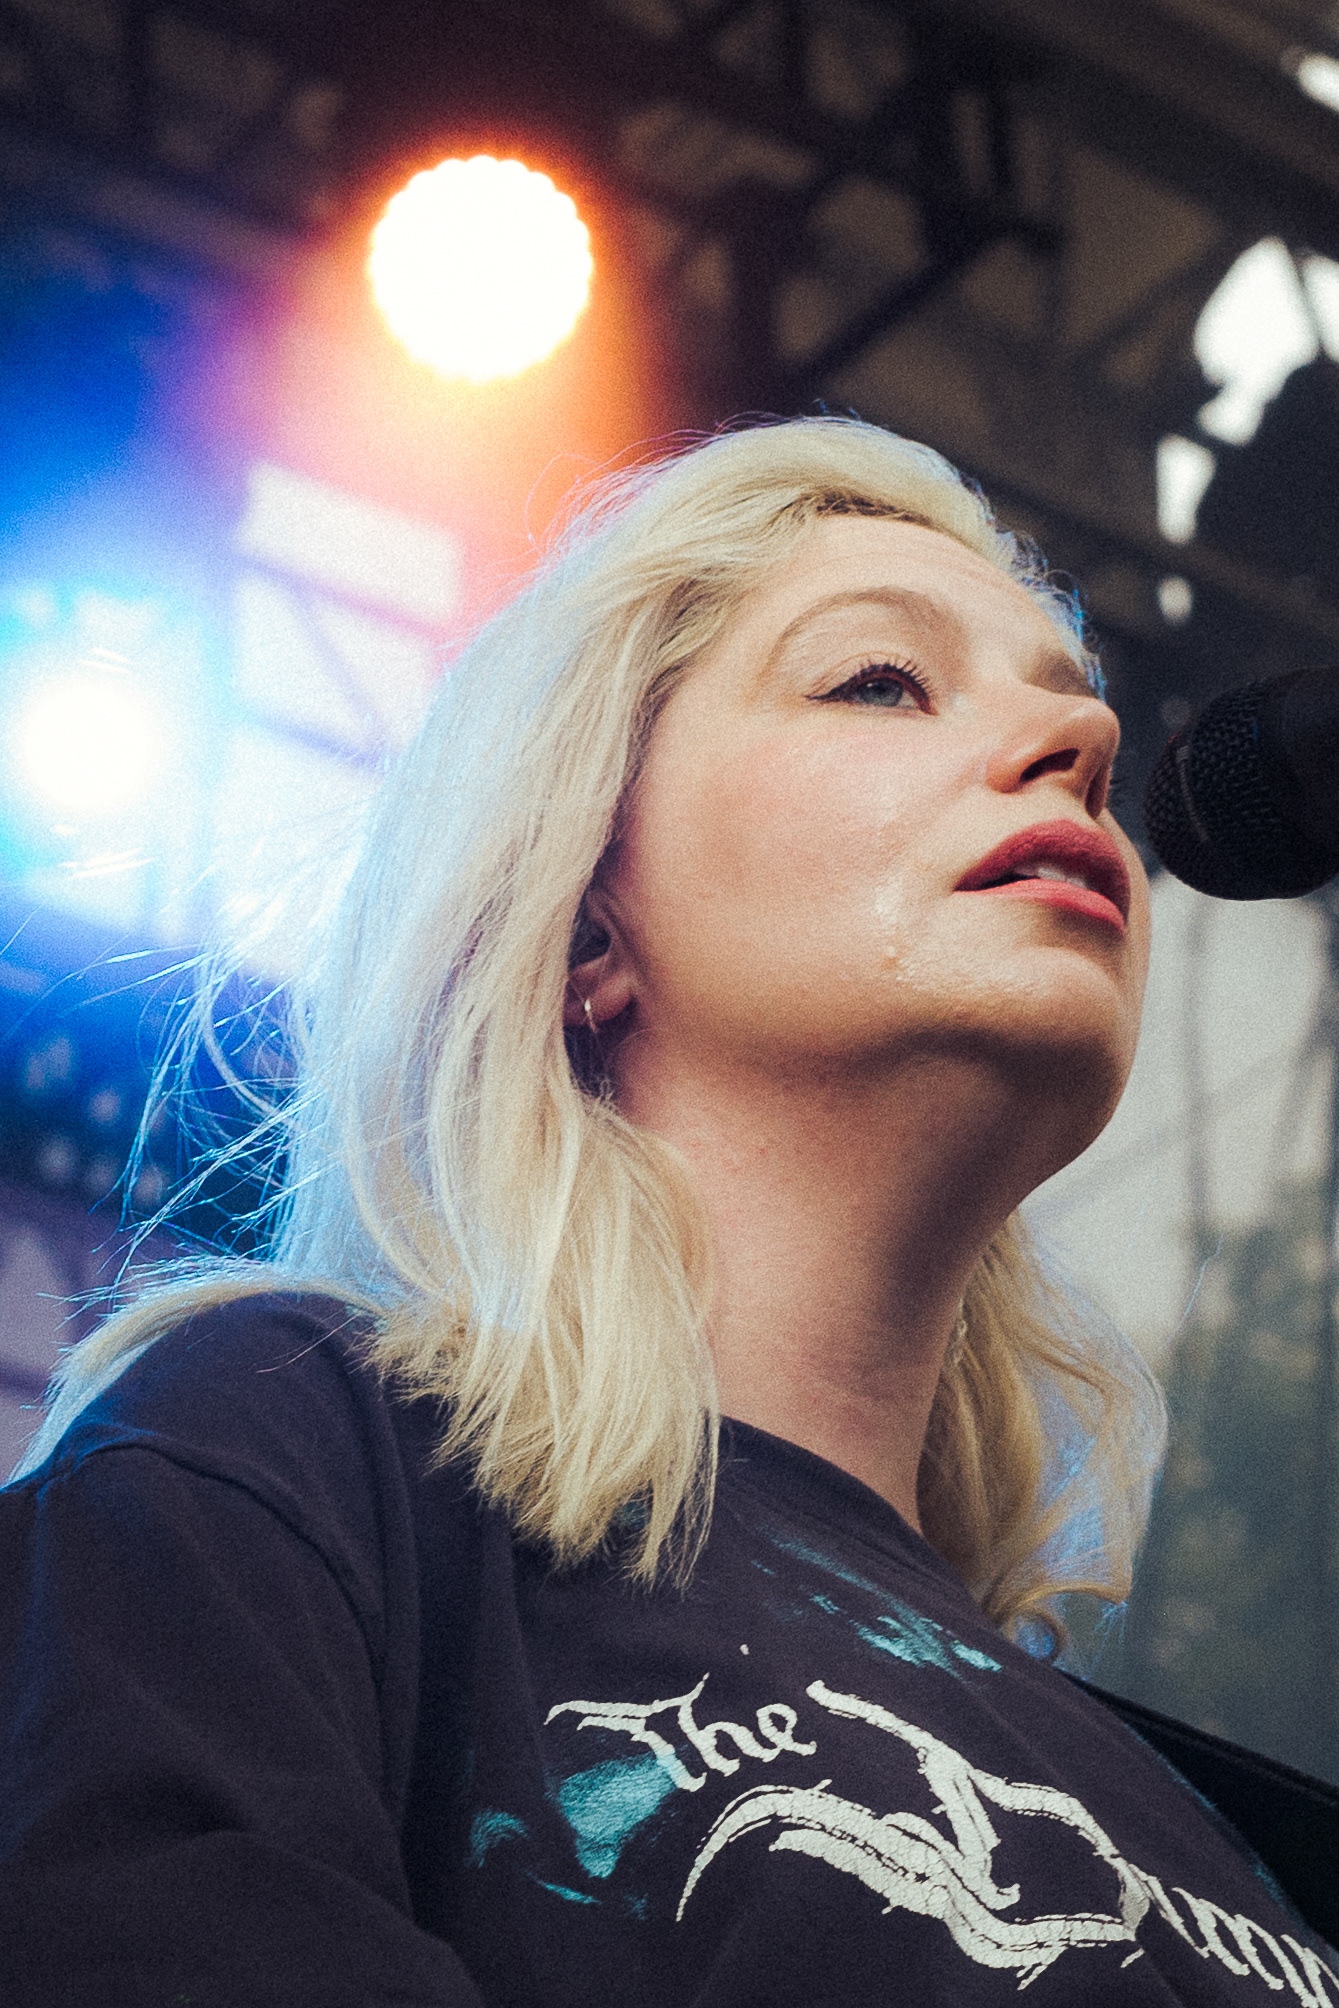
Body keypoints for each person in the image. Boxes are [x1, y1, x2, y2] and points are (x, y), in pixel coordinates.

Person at [0, 417, 1334, 2006]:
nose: (1088, 740)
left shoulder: (1204, 1822)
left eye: (1074, 697)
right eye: (880, 681)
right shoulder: (288, 1460)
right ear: (585, 922)